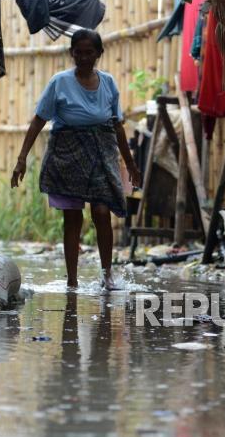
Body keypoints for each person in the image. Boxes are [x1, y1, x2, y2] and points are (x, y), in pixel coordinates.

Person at [11, 29, 141, 290]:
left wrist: (131, 165)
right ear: (71, 53)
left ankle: (108, 276)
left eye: (89, 52)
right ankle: (72, 280)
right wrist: (21, 158)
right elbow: (39, 120)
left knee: (102, 212)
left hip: (102, 155)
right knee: (72, 218)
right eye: (78, 52)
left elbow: (117, 127)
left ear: (99, 54)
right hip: (67, 156)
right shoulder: (59, 82)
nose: (83, 57)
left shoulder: (109, 83)